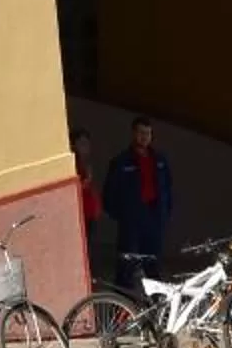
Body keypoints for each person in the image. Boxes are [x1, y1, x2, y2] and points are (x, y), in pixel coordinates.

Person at [101, 116, 174, 274]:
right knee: (127, 263)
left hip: (154, 218)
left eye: (148, 133)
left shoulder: (160, 160)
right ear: (133, 133)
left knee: (152, 262)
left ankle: (153, 289)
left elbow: (168, 188)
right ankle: (124, 290)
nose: (144, 137)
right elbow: (109, 193)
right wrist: (123, 215)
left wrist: (165, 212)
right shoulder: (121, 162)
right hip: (131, 221)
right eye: (141, 132)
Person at [70, 129, 108, 278]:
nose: (86, 147)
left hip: (91, 212)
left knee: (89, 246)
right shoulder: (73, 163)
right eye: (82, 143)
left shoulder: (86, 162)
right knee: (83, 247)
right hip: (81, 212)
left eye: (87, 143)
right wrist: (85, 182)